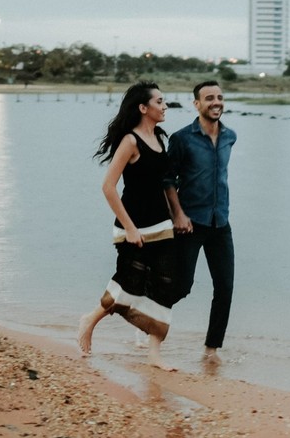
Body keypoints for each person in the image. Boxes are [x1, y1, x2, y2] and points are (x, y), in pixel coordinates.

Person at [77, 81, 179, 371]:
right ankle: (90, 320)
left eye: (164, 101)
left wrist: (176, 215)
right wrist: (130, 227)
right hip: (132, 225)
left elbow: (163, 184)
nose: (165, 106)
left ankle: (154, 354)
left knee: (165, 286)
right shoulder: (130, 141)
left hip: (161, 224)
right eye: (159, 102)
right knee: (129, 283)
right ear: (143, 108)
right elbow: (108, 187)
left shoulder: (159, 137)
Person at [164, 80, 237, 365]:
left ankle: (211, 350)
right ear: (196, 104)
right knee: (182, 285)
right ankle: (148, 324)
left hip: (221, 222)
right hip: (191, 222)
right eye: (209, 98)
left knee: (225, 288)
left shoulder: (230, 136)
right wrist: (178, 215)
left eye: (219, 97)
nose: (216, 102)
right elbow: (168, 179)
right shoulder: (182, 139)